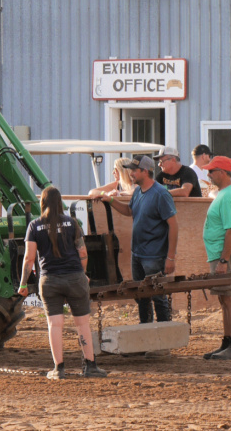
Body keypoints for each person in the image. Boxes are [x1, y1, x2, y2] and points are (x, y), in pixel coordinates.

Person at [20, 186, 107, 379]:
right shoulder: (72, 223)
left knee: (55, 324)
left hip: (49, 280)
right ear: (60, 203)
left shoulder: (34, 226)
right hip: (74, 277)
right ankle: (90, 366)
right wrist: (82, 274)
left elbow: (28, 258)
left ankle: (58, 369)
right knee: (82, 324)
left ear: (42, 203)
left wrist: (23, 284)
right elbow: (82, 253)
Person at [101, 155, 178, 326]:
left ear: (145, 171)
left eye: (134, 170)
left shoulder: (160, 194)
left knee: (158, 296)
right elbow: (130, 212)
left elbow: (173, 225)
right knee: (141, 295)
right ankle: (145, 331)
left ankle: (163, 337)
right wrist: (111, 200)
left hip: (155, 255)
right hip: (138, 254)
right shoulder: (138, 192)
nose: (131, 174)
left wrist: (170, 257)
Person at [201, 156, 231, 361]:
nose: (208, 174)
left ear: (222, 172)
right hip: (222, 253)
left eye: (211, 171)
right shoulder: (226, 193)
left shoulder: (228, 195)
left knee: (229, 297)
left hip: (225, 254)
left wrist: (223, 260)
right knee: (225, 298)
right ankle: (228, 342)